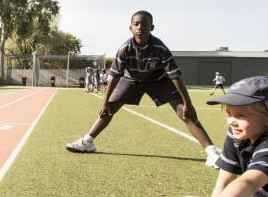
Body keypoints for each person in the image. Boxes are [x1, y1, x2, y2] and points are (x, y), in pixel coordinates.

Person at [66, 10, 221, 167]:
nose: (140, 26)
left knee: (184, 112)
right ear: (130, 28)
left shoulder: (160, 48)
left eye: (144, 23)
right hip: (132, 79)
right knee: (110, 108)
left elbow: (175, 76)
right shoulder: (125, 48)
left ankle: (212, 152)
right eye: (136, 24)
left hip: (158, 80)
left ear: (151, 27)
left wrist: (188, 103)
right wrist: (105, 101)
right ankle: (88, 142)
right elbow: (114, 75)